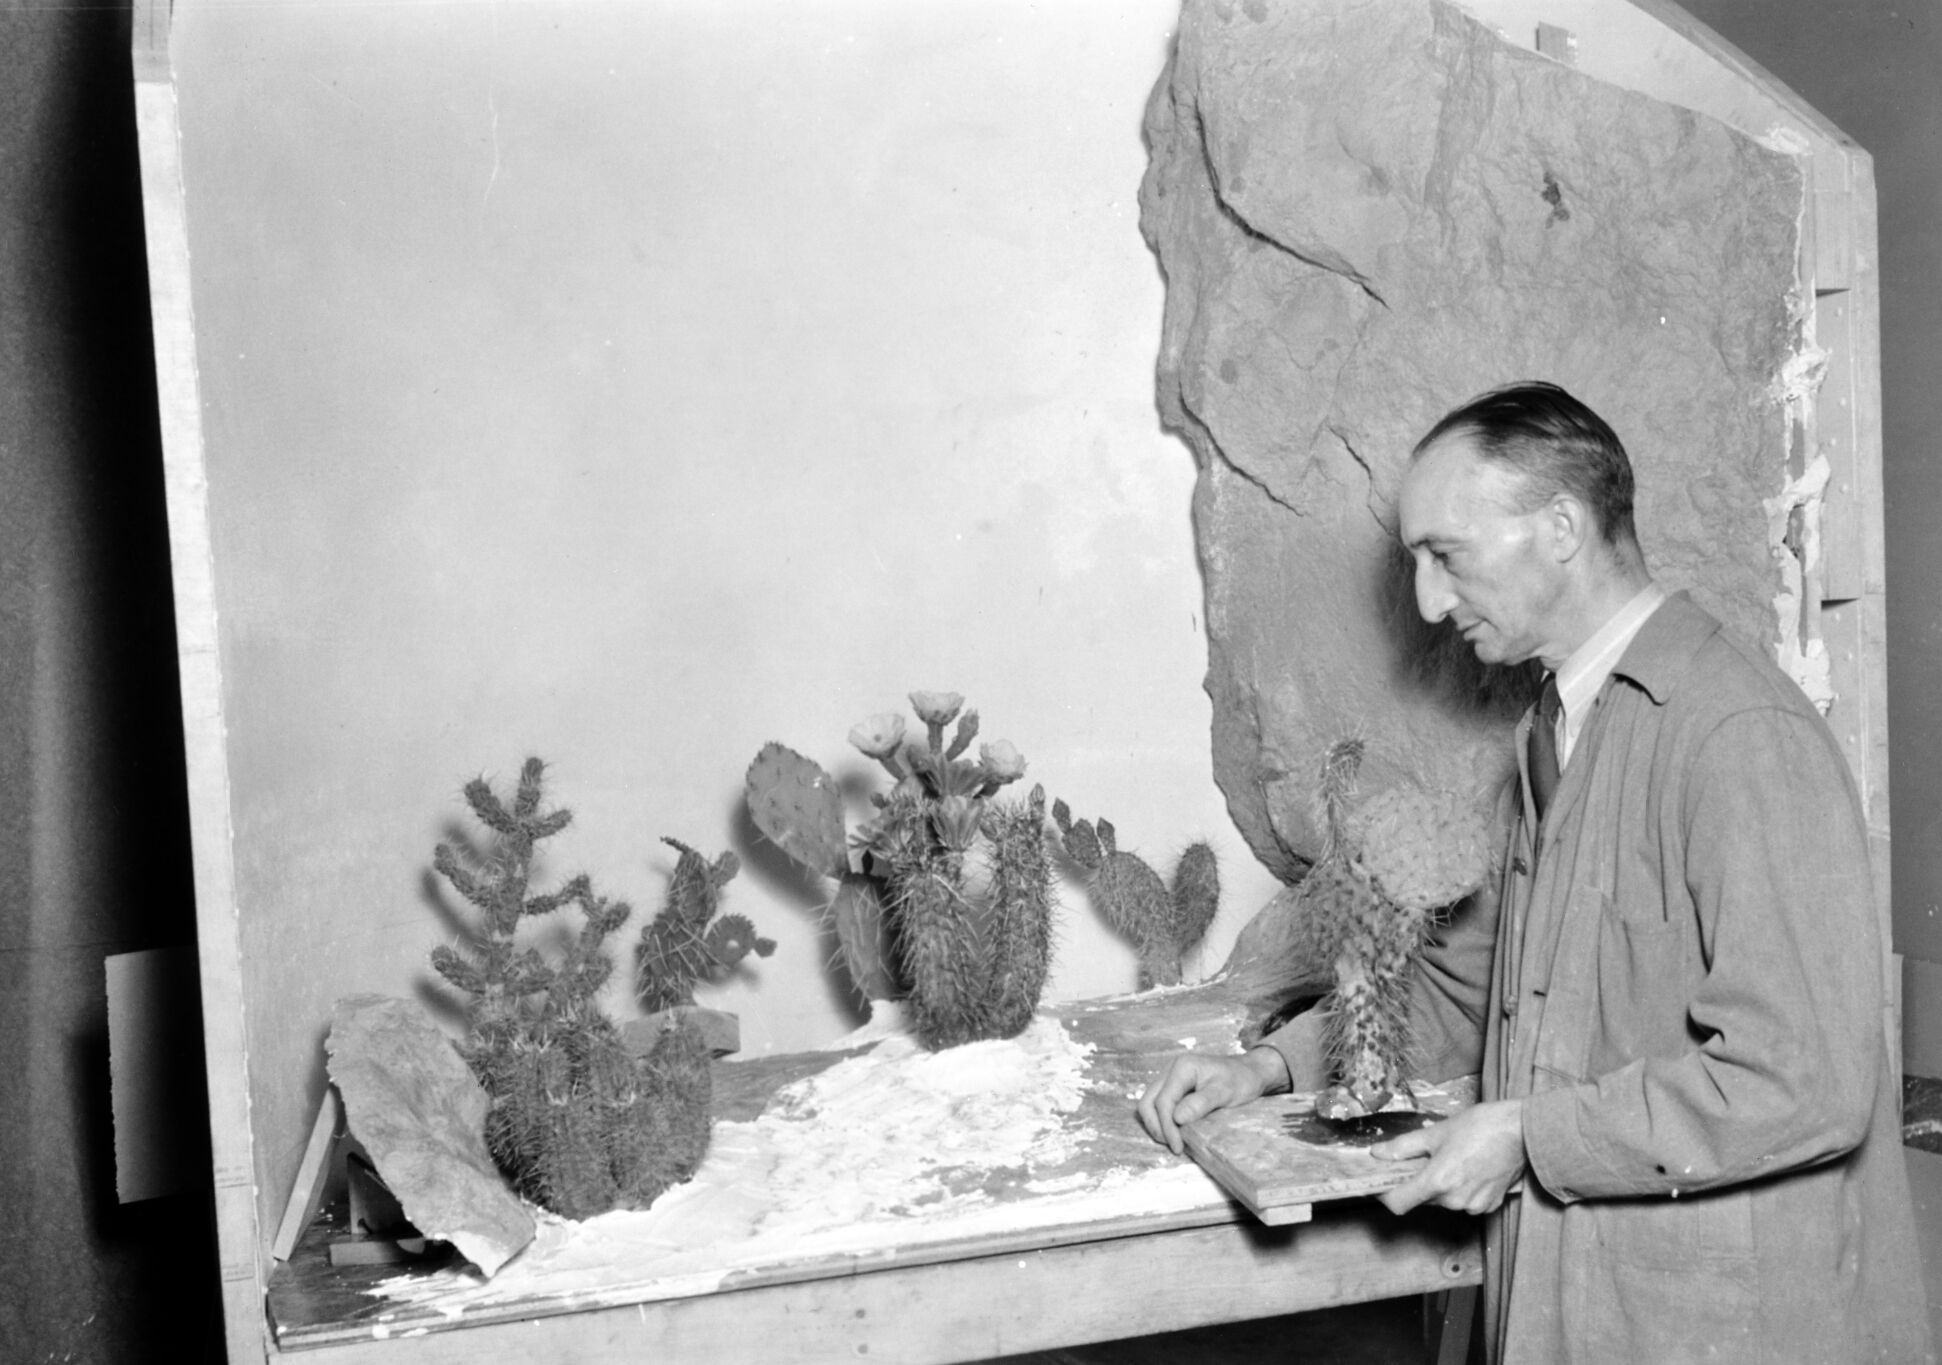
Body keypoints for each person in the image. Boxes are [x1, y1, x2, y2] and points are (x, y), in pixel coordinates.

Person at [1138, 382, 1931, 1363]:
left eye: (1446, 555)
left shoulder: (1737, 737)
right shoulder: (1552, 734)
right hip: (1574, 1295)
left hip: (1720, 1322)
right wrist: (1274, 1067)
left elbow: (1805, 1078)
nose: (1427, 601)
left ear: (1561, 527)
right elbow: (1477, 990)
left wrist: (1527, 1136)